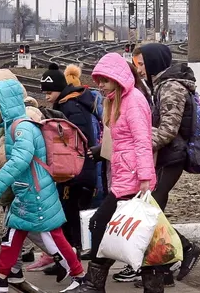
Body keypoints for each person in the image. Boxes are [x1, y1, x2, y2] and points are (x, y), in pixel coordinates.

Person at [0, 78, 83, 292]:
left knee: (53, 237)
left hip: (35, 192)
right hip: (30, 190)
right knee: (13, 232)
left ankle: (79, 276)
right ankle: (3, 276)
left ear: (3, 108)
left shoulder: (21, 128)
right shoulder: (18, 125)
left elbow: (20, 160)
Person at [68, 52, 158, 293]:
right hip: (125, 176)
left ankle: (93, 284)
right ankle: (153, 286)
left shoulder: (134, 101)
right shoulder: (117, 101)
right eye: (98, 80)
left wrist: (145, 178)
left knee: (102, 223)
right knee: (143, 235)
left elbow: (142, 141)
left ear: (117, 79)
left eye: (104, 80)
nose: (100, 84)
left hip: (133, 179)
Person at [138, 43, 200, 283]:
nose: (140, 68)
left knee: (151, 212)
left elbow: (167, 131)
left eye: (143, 63)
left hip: (172, 156)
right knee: (156, 213)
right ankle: (163, 270)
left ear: (154, 63)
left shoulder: (170, 88)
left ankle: (186, 250)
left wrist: (140, 144)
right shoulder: (162, 85)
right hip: (168, 155)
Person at [36, 64, 98, 266]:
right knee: (68, 213)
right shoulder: (67, 104)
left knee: (71, 215)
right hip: (73, 169)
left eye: (49, 92)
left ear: (59, 89)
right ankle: (68, 259)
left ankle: (73, 259)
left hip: (76, 170)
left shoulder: (70, 106)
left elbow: (81, 137)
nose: (46, 96)